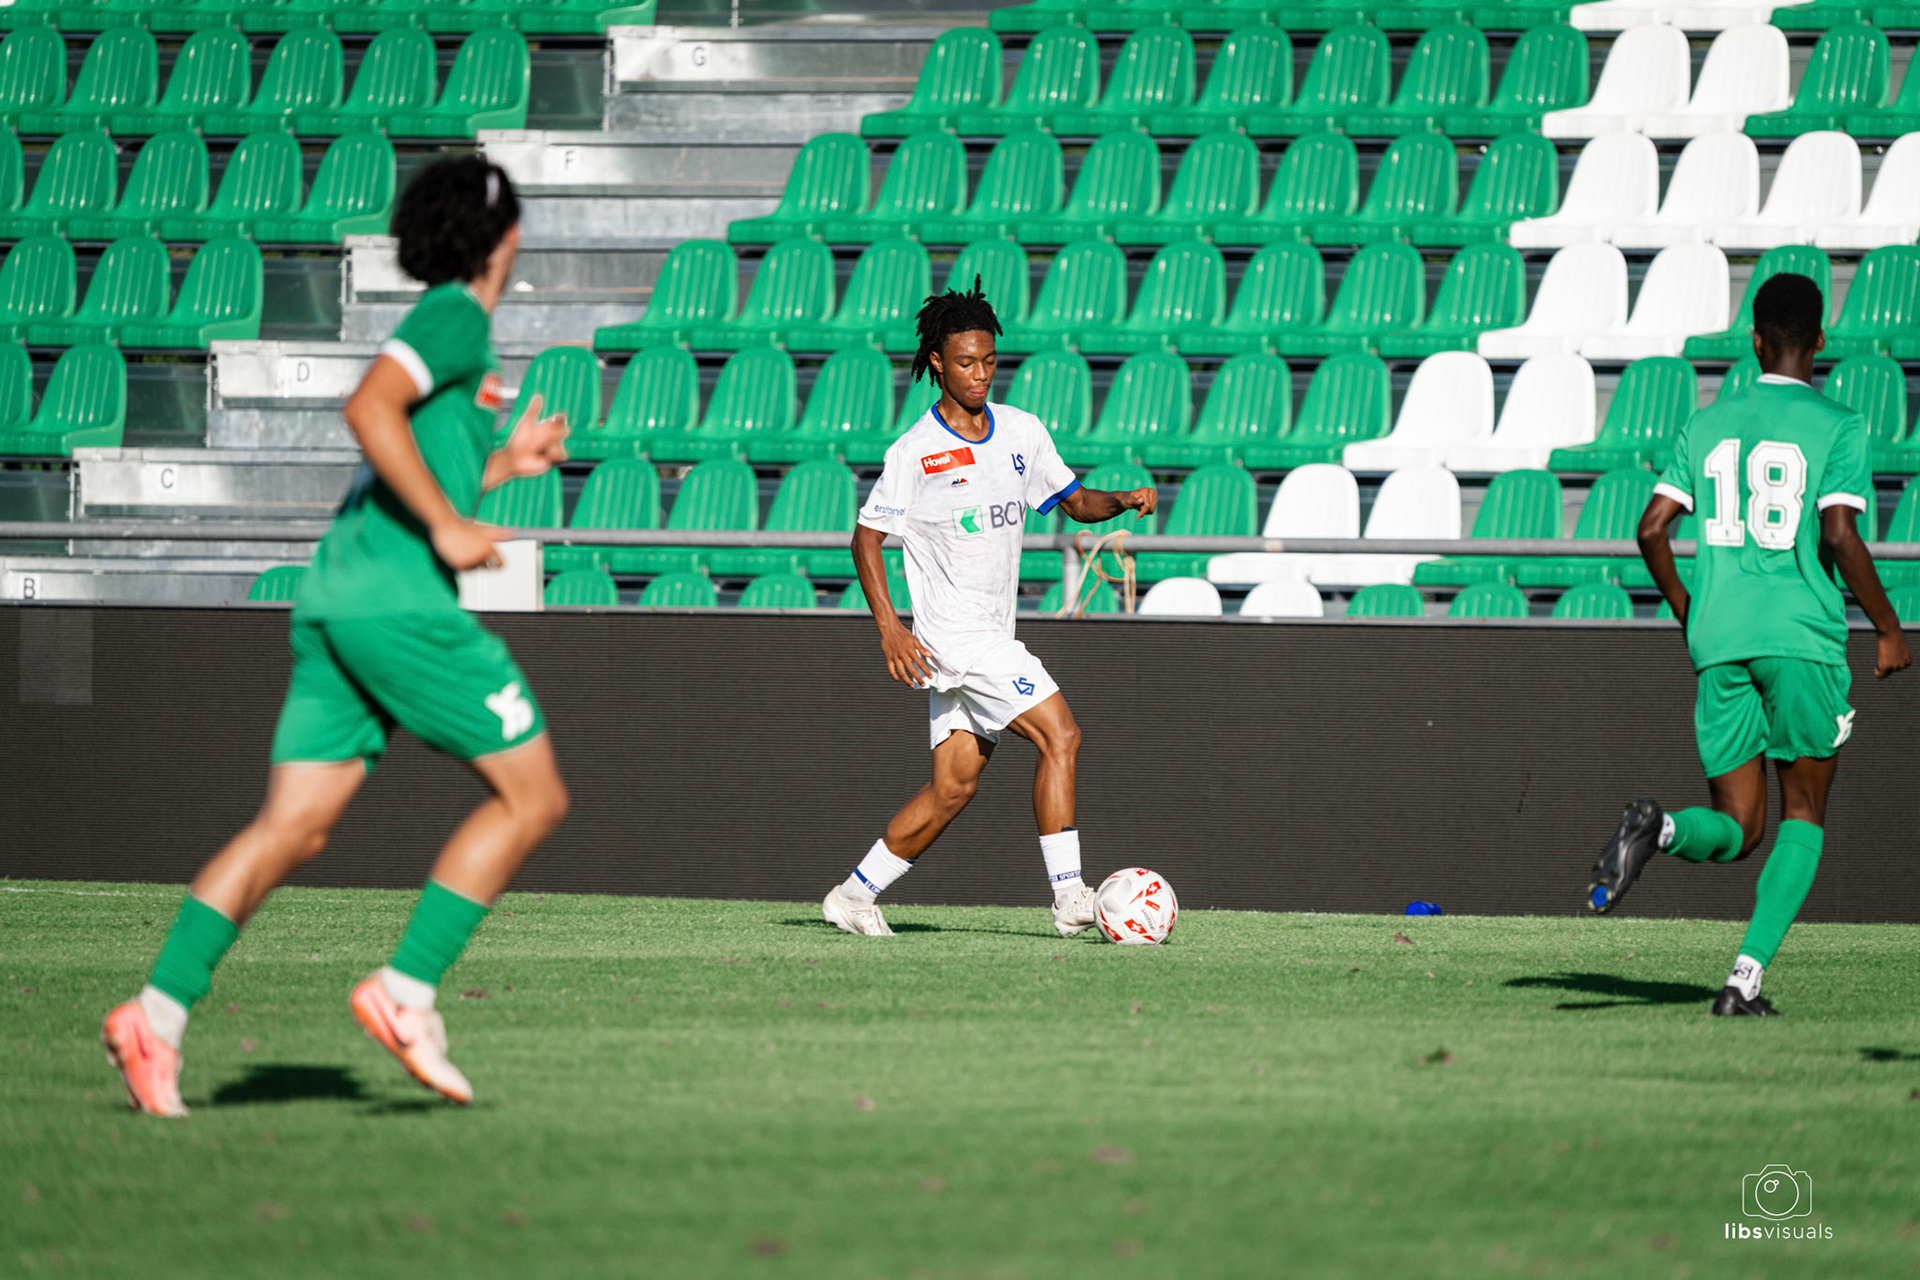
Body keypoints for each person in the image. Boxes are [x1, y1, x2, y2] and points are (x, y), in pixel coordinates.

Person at [101, 157, 571, 1115]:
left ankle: (155, 1016)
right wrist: (448, 527)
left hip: (335, 599)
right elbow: (368, 410)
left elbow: (401, 470)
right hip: (400, 606)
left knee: (293, 829)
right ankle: (406, 991)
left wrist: (498, 471)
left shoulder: (453, 333)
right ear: (503, 238)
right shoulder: (454, 316)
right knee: (533, 798)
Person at [1586, 272, 1910, 1015]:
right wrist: (1888, 629)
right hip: (1801, 640)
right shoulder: (1839, 424)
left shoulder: (1706, 424)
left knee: (1736, 828)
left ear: (1755, 341)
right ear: (1821, 341)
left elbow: (1650, 528)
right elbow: (1839, 533)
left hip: (1721, 640)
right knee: (1801, 818)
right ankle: (1743, 981)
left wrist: (1687, 609)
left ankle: (1661, 827)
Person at [822, 282, 1157, 939]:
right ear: (939, 363)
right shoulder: (915, 450)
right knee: (1062, 736)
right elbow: (866, 539)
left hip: (984, 634)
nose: (979, 374)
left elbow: (1072, 500)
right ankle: (1070, 899)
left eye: (989, 361)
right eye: (966, 362)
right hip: (957, 639)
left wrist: (1120, 499)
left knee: (953, 788)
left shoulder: (1023, 434)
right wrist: (890, 627)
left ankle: (853, 896)